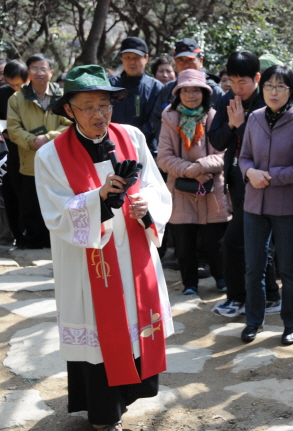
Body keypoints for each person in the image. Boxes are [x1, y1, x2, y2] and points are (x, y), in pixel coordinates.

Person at [34, 64, 173, 431]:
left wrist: (146, 206)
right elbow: (56, 212)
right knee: (100, 336)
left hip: (133, 252)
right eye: (88, 106)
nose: (99, 115)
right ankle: (104, 415)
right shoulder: (50, 156)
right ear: (69, 110)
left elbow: (155, 185)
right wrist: (98, 198)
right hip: (89, 261)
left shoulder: (132, 136)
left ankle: (128, 397)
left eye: (105, 105)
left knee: (134, 326)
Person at [238, 65, 293, 344]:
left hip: (287, 205)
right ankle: (253, 321)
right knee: (253, 267)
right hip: (254, 204)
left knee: (288, 268)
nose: (273, 91)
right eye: (269, 85)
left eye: (280, 86)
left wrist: (268, 176)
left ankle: (292, 323)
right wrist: (250, 172)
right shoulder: (254, 117)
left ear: (290, 91)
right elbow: (244, 157)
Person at [208, 51, 280, 317]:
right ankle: (269, 296)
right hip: (235, 180)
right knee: (253, 242)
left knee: (233, 242)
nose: (237, 88)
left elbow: (265, 145)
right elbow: (216, 141)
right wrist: (231, 124)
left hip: (261, 182)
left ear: (257, 78)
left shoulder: (268, 101)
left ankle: (238, 297)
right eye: (232, 82)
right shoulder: (226, 99)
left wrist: (240, 126)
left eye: (243, 82)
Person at [156, 69, 230, 296]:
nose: (190, 95)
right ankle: (189, 284)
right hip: (181, 189)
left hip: (212, 188)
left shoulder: (214, 116)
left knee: (216, 241)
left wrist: (202, 166)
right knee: (184, 242)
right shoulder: (169, 117)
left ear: (204, 93)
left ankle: (222, 279)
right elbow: (163, 157)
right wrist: (191, 171)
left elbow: (224, 154)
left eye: (195, 90)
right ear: (178, 93)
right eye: (185, 90)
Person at [7, 53, 72, 249]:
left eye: (43, 69)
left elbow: (70, 124)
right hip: (30, 160)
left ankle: (57, 243)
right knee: (31, 205)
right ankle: (34, 244)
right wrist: (32, 141)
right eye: (34, 68)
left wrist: (48, 138)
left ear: (51, 72)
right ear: (28, 72)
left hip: (58, 161)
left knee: (58, 202)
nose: (39, 73)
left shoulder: (63, 96)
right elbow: (13, 128)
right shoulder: (17, 98)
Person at [150, 38, 224, 152]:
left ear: (201, 61)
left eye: (190, 59)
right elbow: (157, 120)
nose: (186, 64)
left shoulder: (214, 91)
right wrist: (171, 146)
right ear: (175, 63)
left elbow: (223, 127)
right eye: (180, 60)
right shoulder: (168, 89)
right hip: (173, 155)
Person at [109, 37, 163, 155]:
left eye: (136, 58)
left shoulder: (156, 88)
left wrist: (132, 139)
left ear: (146, 58)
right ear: (122, 58)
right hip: (113, 147)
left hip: (146, 149)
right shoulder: (109, 86)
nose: (132, 62)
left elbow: (155, 121)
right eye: (127, 57)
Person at [0, 60, 28, 247]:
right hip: (7, 150)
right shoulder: (2, 94)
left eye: (19, 85)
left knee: (26, 195)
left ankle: (29, 233)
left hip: (29, 148)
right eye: (11, 85)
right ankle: (15, 235)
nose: (15, 89)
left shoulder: (32, 93)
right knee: (9, 195)